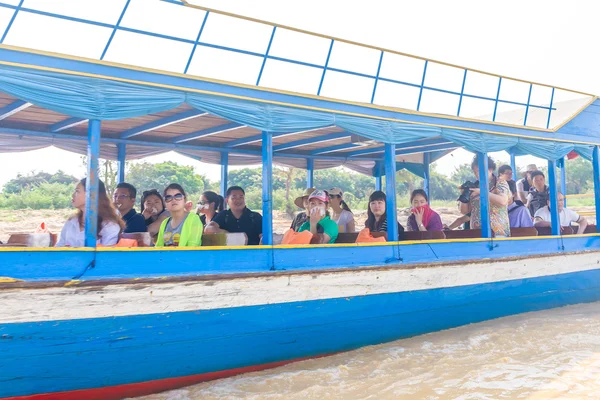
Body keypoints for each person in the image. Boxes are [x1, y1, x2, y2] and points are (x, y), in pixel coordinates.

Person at [55, 178, 124, 247]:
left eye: (77, 191)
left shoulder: (109, 226)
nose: (73, 195)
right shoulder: (72, 221)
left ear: (90, 195)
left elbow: (107, 256)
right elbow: (59, 247)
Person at [459, 155, 511, 237]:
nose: (477, 174)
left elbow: (503, 201)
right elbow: (464, 211)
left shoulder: (499, 182)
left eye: (479, 171)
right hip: (476, 233)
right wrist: (464, 196)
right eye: (475, 172)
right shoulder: (475, 185)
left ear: (490, 170)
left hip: (498, 233)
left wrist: (482, 192)